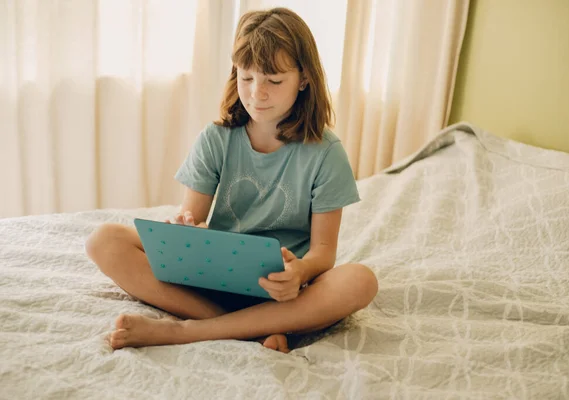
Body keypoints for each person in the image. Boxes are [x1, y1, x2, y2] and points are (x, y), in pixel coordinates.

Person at [85, 7, 378, 353]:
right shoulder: (216, 139)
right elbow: (192, 219)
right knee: (103, 240)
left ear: (304, 79)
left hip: (285, 292)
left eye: (274, 80)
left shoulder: (326, 153)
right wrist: (185, 231)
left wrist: (299, 273)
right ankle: (251, 330)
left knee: (361, 281)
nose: (257, 93)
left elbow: (324, 253)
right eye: (247, 77)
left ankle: (186, 331)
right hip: (215, 279)